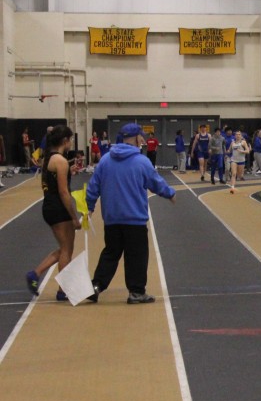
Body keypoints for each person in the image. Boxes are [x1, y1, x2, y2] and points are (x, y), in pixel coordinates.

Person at [86, 123, 176, 304]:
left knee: (110, 253)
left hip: (112, 218)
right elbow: (155, 182)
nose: (143, 140)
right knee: (137, 256)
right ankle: (136, 292)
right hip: (135, 219)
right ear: (135, 138)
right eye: (141, 136)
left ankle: (96, 286)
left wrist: (90, 205)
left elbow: (93, 185)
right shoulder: (142, 161)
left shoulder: (105, 160)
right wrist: (170, 193)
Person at [25, 126, 81, 302]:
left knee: (65, 248)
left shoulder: (49, 157)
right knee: (67, 250)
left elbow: (53, 180)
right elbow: (64, 192)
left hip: (49, 205)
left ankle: (36, 274)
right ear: (65, 141)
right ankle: (61, 289)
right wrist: (74, 217)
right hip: (59, 208)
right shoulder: (61, 161)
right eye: (70, 140)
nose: (71, 143)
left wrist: (70, 171)